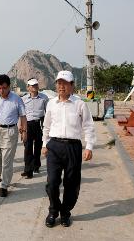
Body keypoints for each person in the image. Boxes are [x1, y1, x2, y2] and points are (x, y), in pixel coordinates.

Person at [42, 70, 95, 228]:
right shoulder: (51, 103)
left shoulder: (79, 104)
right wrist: (45, 144)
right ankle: (53, 211)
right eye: (59, 83)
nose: (61, 86)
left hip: (73, 147)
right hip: (54, 146)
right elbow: (46, 126)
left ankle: (65, 212)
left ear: (72, 85)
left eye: (65, 83)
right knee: (52, 182)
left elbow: (88, 126)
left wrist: (89, 147)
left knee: (71, 183)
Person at [21, 78, 48, 179]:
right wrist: (21, 127)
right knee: (27, 147)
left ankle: (36, 165)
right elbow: (21, 114)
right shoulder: (23, 99)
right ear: (28, 87)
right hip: (27, 124)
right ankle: (28, 169)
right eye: (32, 85)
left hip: (39, 123)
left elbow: (47, 112)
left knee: (37, 147)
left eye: (36, 85)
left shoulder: (44, 98)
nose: (34, 87)